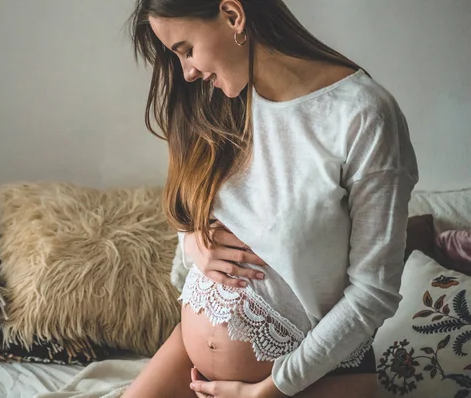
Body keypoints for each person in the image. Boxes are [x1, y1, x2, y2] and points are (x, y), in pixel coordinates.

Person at [123, 0, 419, 397]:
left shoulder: (363, 116)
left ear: (233, 16)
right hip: (190, 363)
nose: (188, 73)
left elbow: (373, 293)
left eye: (186, 50)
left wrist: (266, 390)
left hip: (307, 377)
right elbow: (191, 209)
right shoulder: (219, 100)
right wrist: (193, 241)